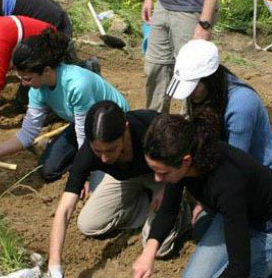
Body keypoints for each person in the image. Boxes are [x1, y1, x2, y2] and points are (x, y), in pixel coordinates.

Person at [134, 112, 272, 278]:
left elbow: (239, 267)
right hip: (239, 214)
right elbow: (169, 210)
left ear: (186, 161)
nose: (157, 178)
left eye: (162, 173)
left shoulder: (227, 183)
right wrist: (148, 254)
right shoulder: (184, 156)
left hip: (271, 227)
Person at [46, 102, 189, 278]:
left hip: (162, 175)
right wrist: (54, 265)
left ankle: (182, 208)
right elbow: (66, 208)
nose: (104, 158)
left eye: (111, 149)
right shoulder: (89, 152)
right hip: (126, 178)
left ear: (126, 130)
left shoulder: (151, 131)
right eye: (98, 151)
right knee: (89, 224)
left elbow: (181, 158)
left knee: (160, 248)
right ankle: (147, 205)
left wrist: (168, 187)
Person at [0, 30, 130, 182]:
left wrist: (83, 175)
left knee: (102, 172)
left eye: (27, 78)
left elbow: (83, 138)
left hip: (111, 124)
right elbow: (26, 135)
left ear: (46, 71)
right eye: (21, 77)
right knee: (48, 170)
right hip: (83, 123)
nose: (24, 83)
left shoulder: (77, 85)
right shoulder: (37, 89)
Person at [167, 39, 272, 172]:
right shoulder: (201, 93)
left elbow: (236, 163)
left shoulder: (242, 104)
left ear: (208, 79)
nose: (189, 94)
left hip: (257, 172)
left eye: (192, 87)